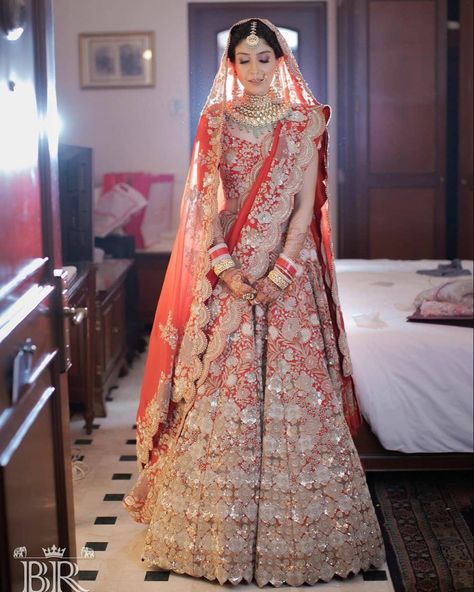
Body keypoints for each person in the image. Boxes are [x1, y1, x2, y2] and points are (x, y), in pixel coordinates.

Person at [123, 17, 386, 587]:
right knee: (222, 390)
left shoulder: (305, 122)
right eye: (244, 59)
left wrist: (285, 270)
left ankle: (307, 536)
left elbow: (304, 207)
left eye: (264, 57)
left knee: (296, 389)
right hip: (231, 275)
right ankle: (216, 533)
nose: (255, 69)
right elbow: (203, 206)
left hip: (290, 280)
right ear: (231, 65)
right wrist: (227, 269)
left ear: (281, 59)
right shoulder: (215, 122)